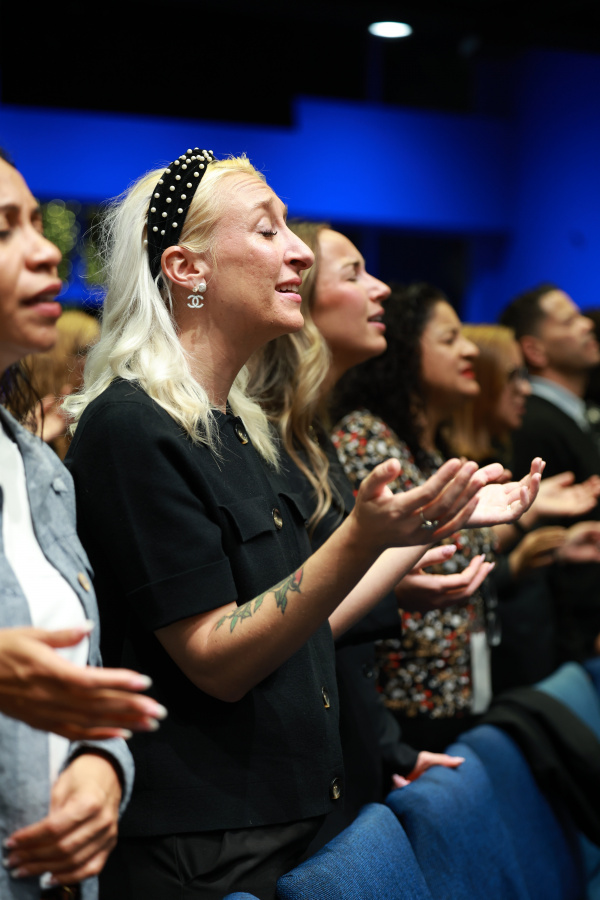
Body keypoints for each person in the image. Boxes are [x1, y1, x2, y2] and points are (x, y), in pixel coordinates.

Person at [63, 149, 541, 900]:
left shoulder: (241, 426)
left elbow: (304, 625)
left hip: (287, 815)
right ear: (187, 269)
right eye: (267, 231)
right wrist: (363, 537)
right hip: (208, 848)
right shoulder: (131, 425)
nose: (298, 252)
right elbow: (217, 660)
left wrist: (422, 525)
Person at [248, 223, 498, 845]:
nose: (381, 288)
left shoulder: (313, 432)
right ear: (298, 297)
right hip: (278, 782)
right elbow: (282, 629)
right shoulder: (271, 437)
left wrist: (388, 749)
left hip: (349, 748)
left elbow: (322, 624)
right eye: (354, 274)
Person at [0, 149, 168, 899]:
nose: (45, 251)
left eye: (37, 224)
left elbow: (88, 683)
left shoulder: (40, 468)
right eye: (4, 230)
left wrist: (102, 769)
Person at [331, 283, 523, 751]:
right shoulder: (366, 437)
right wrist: (519, 525)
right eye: (450, 338)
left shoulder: (426, 448)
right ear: (404, 350)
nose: (469, 349)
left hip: (450, 690)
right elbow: (431, 556)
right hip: (401, 700)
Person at [450, 323, 600, 688]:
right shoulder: (454, 463)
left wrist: (558, 546)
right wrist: (523, 534)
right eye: (512, 377)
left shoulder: (496, 451)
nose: (526, 389)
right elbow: (450, 562)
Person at [500, 285, 600, 662]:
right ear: (535, 350)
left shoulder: (574, 413)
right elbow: (543, 545)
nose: (587, 325)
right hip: (572, 640)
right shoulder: (534, 422)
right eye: (569, 321)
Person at [19, 309, 100, 457]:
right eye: (86, 351)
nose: (97, 359)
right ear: (58, 359)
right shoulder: (12, 426)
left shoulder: (93, 417)